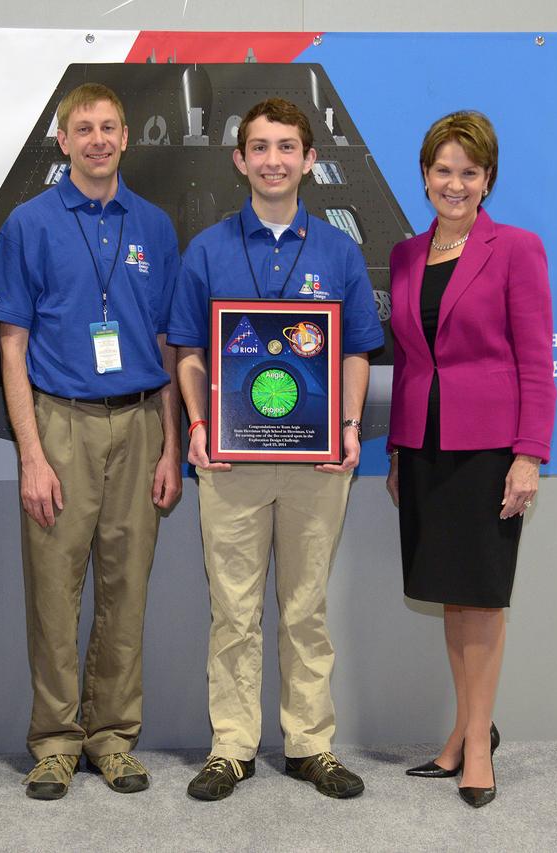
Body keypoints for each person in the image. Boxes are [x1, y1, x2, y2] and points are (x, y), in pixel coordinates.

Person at [170, 98, 384, 801]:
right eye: (259, 147)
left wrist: (349, 426)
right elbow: (191, 351)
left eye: (286, 147)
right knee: (233, 608)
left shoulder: (337, 250)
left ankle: (309, 743)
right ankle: (231, 744)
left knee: (304, 607)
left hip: (316, 465)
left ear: (309, 160)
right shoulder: (206, 249)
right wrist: (200, 425)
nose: (272, 160)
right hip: (230, 462)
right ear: (239, 160)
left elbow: (356, 350)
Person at [0, 83, 182, 800]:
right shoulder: (28, 225)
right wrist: (30, 455)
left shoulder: (155, 226)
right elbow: (12, 346)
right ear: (62, 141)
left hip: (139, 423)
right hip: (58, 421)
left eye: (108, 127)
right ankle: (57, 739)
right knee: (54, 591)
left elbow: (165, 339)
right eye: (82, 129)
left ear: (127, 137)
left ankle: (112, 736)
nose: (97, 139)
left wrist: (171, 446)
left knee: (127, 590)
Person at [385, 111, 556, 808]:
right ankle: (461, 729)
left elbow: (537, 364)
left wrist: (528, 456)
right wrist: (397, 449)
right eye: (442, 169)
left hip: (488, 451)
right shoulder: (404, 256)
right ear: (425, 175)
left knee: (482, 599)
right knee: (453, 597)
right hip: (423, 447)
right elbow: (404, 357)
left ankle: (479, 745)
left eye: (469, 171)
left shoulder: (515, 249)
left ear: (488, 180)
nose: (454, 184)